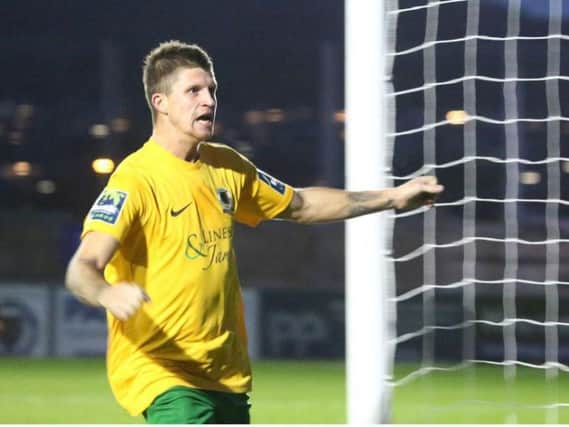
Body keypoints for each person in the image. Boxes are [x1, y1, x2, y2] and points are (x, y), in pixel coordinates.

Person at [65, 40, 444, 424]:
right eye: (194, 91)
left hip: (225, 374)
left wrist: (393, 197)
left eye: (212, 90)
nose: (209, 101)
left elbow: (302, 205)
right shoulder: (135, 180)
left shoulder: (227, 166)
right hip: (163, 373)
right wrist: (106, 292)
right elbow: (81, 267)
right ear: (160, 101)